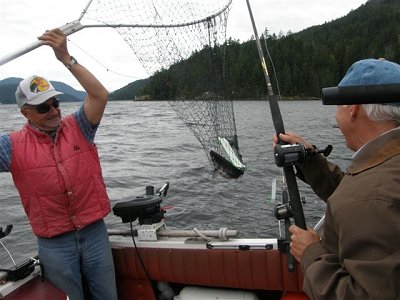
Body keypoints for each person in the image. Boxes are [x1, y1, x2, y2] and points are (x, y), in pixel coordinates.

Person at [0, 29, 118, 300]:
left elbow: (99, 94)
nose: (53, 111)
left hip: (94, 233)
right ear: (25, 113)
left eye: (55, 103)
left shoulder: (79, 127)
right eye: (43, 107)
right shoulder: (10, 147)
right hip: (54, 244)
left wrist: (66, 58)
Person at [274, 58, 400, 299]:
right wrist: (308, 159)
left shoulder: (372, 197)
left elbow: (363, 294)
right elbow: (356, 197)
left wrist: (311, 252)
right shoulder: (387, 168)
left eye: (338, 106)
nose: (336, 116)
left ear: (353, 108)